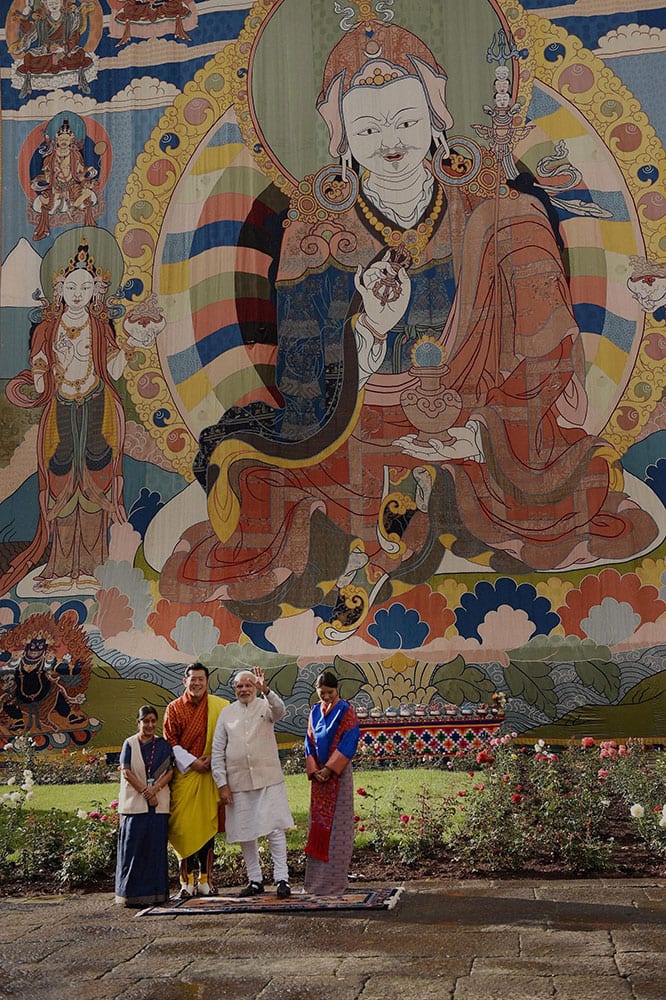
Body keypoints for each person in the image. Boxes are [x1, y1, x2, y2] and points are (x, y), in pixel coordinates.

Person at [160, 13, 658, 639]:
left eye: (407, 120)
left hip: (477, 425)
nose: (391, 141)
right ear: (340, 141)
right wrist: (366, 332)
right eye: (368, 127)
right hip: (348, 434)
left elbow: (542, 361)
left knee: (544, 481)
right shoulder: (315, 240)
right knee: (251, 475)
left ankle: (453, 488)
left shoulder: (497, 221)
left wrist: (480, 435)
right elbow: (300, 387)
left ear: (438, 121)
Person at [2, 229, 133, 597]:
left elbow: (115, 370)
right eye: (72, 286)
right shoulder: (47, 327)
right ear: (58, 290)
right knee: (60, 479)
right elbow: (41, 371)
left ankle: (91, 567)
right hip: (62, 409)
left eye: (85, 287)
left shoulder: (99, 325)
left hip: (95, 404)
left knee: (96, 474)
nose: (78, 293)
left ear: (96, 292)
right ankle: (60, 566)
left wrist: (135, 343)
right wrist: (41, 380)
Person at [211, 667, 294, 898]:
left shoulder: (265, 706)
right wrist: (222, 784)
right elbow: (217, 751)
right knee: (246, 832)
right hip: (238, 783)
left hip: (268, 779)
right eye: (239, 686)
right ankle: (255, 880)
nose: (244, 689)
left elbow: (280, 711)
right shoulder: (227, 714)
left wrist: (266, 689)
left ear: (255, 687)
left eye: (248, 684)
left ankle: (282, 879)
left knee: (275, 829)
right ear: (234, 689)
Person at [163, 663, 225, 898]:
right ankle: (185, 881)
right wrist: (192, 762)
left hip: (209, 775)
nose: (196, 683)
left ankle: (205, 880)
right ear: (184, 681)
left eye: (201, 679)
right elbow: (170, 741)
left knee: (207, 826)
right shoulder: (174, 708)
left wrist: (215, 756)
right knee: (182, 827)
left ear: (207, 681)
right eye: (193, 679)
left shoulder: (219, 707)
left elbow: (226, 737)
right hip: (185, 776)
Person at [303, 671, 360, 897]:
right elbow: (309, 740)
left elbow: (350, 739)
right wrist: (315, 769)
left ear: (337, 690)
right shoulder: (314, 711)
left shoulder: (346, 711)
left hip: (339, 774)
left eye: (330, 692)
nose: (326, 696)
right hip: (319, 777)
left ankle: (335, 883)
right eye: (322, 693)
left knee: (339, 828)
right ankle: (315, 884)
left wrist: (330, 768)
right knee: (317, 825)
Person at [115, 705, 173, 908]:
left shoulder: (163, 745)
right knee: (134, 848)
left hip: (158, 805)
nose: (149, 725)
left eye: (152, 721)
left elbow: (169, 771)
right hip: (135, 806)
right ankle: (130, 895)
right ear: (138, 722)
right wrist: (145, 792)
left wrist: (155, 789)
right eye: (145, 721)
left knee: (155, 849)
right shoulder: (129, 744)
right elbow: (126, 772)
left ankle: (157, 894)